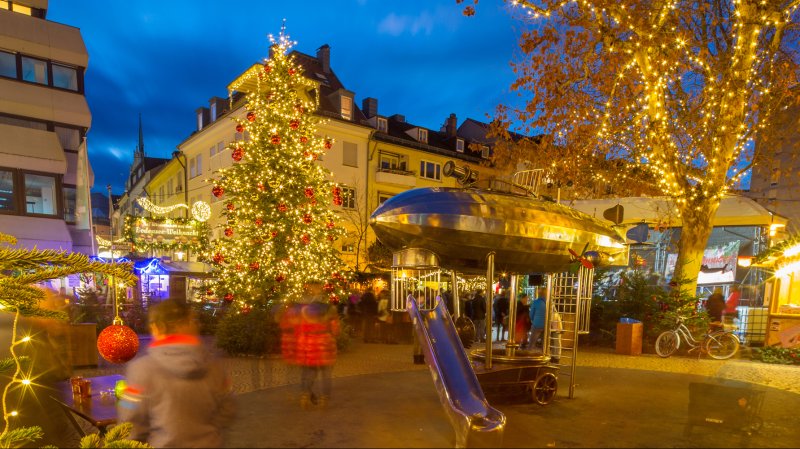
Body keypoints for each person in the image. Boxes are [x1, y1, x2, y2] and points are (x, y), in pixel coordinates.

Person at [118, 298, 235, 448]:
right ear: (191, 326)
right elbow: (228, 409)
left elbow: (130, 418)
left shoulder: (141, 369)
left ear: (157, 327)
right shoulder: (215, 366)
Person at [294, 281, 341, 409]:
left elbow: (300, 329)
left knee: (310, 373)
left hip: (310, 346)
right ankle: (324, 399)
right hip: (326, 345)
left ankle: (304, 396)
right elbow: (336, 330)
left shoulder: (304, 311)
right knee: (326, 374)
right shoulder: (330, 310)